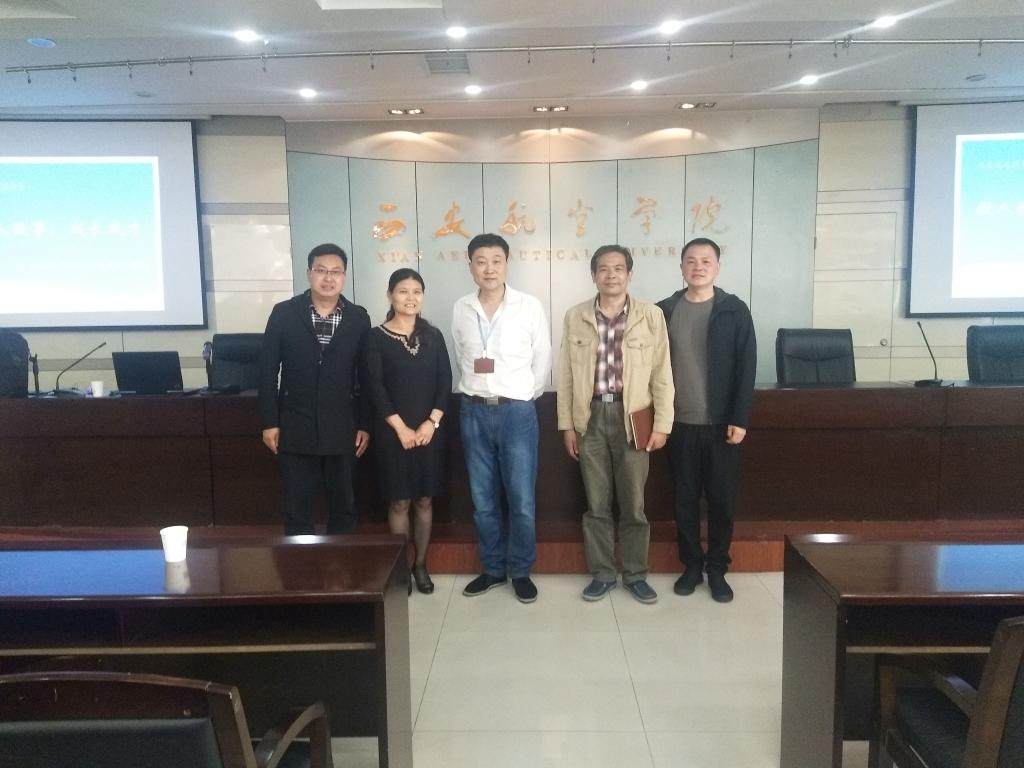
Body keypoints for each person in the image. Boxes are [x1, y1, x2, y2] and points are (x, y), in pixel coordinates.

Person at [557, 245, 674, 604]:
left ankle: (635, 574)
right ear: (593, 275)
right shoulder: (576, 316)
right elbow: (566, 376)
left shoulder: (651, 316)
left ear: (629, 274)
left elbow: (662, 373)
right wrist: (567, 425)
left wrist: (663, 424)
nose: (611, 275)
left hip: (633, 418)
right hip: (590, 417)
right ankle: (603, 574)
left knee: (634, 504)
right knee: (597, 503)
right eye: (604, 269)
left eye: (618, 268)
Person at [452, 233, 551, 603]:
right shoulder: (461, 308)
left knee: (521, 499)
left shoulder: (529, 306)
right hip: (473, 411)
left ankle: (521, 571)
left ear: (507, 264)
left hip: (517, 413)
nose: (489, 268)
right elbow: (461, 354)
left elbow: (542, 359)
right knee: (482, 498)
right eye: (481, 261)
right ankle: (493, 568)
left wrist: (521, 396)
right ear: (470, 267)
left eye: (496, 260)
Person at [657, 237, 756, 603]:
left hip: (721, 426)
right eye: (691, 260)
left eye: (706, 261)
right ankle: (691, 566)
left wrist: (739, 417)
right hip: (678, 425)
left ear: (717, 267)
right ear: (681, 267)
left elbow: (747, 366)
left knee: (721, 501)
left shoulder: (734, 310)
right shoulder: (664, 311)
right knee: (683, 500)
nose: (698, 267)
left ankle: (717, 569)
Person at [258, 243, 370, 535]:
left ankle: (343, 563)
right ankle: (300, 564)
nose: (328, 278)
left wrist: (364, 424)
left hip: (342, 428)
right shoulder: (284, 313)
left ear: (344, 276)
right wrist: (269, 422)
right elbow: (267, 371)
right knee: (298, 510)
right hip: (295, 426)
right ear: (309, 273)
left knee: (344, 507)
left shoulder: (358, 317)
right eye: (321, 270)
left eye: (336, 272)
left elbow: (365, 376)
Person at [362, 268, 451, 594]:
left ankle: (421, 564)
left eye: (416, 291)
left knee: (424, 499)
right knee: (400, 501)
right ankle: (401, 567)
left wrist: (432, 423)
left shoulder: (434, 336)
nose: (410, 298)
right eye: (403, 291)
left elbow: (445, 382)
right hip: (392, 432)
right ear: (390, 295)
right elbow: (374, 387)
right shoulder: (375, 337)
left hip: (429, 432)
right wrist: (401, 428)